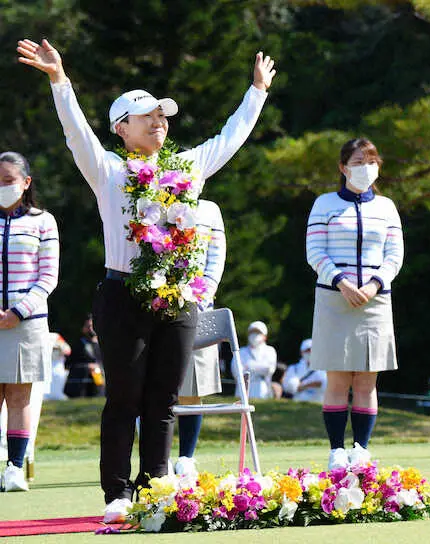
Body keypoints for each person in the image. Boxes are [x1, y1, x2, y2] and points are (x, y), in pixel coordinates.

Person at [19, 37, 274, 518]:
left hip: (178, 297)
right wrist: (60, 81)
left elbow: (230, 138)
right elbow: (76, 132)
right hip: (121, 295)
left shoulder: (188, 167)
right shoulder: (109, 170)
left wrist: (256, 92)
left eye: (164, 117)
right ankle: (117, 494)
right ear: (121, 128)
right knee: (124, 399)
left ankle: (156, 489)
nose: (160, 123)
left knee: (162, 402)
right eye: (148, 117)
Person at [306, 137, 404, 470]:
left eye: (371, 161)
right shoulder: (324, 204)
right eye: (358, 162)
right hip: (335, 298)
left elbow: (394, 255)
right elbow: (315, 252)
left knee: (365, 380)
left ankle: (361, 449)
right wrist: (343, 282)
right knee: (337, 379)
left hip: (375, 302)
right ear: (343, 167)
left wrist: (375, 285)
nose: (366, 168)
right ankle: (336, 450)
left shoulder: (386, 207)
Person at [0, 152, 60, 492]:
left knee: (20, 397)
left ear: (26, 183)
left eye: (9, 181)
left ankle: (14, 468)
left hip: (27, 322)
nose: (3, 187)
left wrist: (17, 312)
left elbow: (48, 277)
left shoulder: (43, 221)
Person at [173, 199, 226, 477]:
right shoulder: (152, 201)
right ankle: (157, 458)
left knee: (192, 390)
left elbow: (215, 258)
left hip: (198, 305)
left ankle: (186, 458)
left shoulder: (210, 210)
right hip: (156, 304)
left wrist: (201, 297)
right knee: (157, 390)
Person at [64, 315, 104, 398]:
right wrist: (87, 367)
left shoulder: (103, 345)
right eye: (88, 326)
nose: (91, 329)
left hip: (102, 388)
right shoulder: (78, 346)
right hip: (82, 389)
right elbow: (68, 365)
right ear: (83, 328)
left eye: (93, 326)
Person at [239, 321, 278, 400]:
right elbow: (237, 371)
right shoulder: (241, 351)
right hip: (242, 392)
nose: (254, 335)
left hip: (264, 392)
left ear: (265, 336)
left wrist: (248, 367)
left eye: (258, 333)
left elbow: (269, 369)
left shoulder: (270, 350)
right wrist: (260, 368)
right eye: (252, 332)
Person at [282, 339, 327, 403]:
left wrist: (302, 386)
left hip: (318, 404)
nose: (310, 352)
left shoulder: (323, 369)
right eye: (307, 350)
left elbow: (326, 386)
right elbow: (288, 387)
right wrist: (310, 384)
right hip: (297, 403)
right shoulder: (294, 368)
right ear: (301, 352)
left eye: (312, 350)